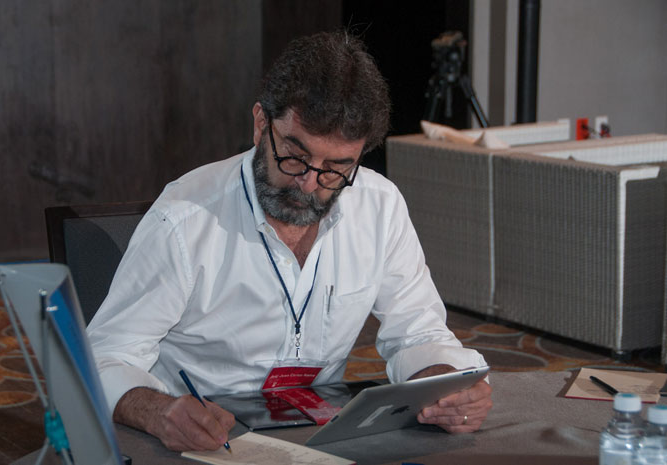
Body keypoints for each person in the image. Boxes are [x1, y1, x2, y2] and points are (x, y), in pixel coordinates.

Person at [87, 30, 492, 453]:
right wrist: (158, 411)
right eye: (295, 157)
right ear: (261, 124)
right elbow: (103, 357)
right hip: (204, 441)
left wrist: (445, 384)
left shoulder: (379, 207)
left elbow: (418, 332)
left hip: (320, 439)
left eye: (336, 169)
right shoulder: (184, 220)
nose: (309, 183)